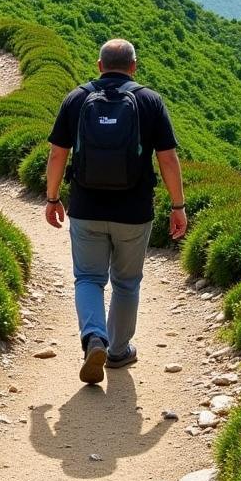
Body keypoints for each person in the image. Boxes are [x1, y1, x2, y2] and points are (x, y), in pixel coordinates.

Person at [44, 38, 187, 386]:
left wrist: (52, 198)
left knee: (89, 278)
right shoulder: (150, 100)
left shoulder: (77, 98)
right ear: (134, 67)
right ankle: (119, 351)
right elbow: (167, 158)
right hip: (134, 211)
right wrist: (178, 206)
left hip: (86, 207)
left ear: (99, 66)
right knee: (126, 282)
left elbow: (57, 154)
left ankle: (95, 337)